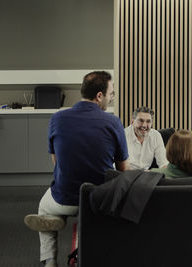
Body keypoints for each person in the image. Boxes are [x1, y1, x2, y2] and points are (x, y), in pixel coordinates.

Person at [24, 71, 130, 267]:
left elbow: (57, 162)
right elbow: (124, 169)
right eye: (111, 93)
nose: (111, 97)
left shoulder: (57, 118)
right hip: (96, 198)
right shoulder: (113, 122)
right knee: (89, 215)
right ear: (100, 96)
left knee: (44, 206)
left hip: (63, 195)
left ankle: (49, 259)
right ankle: (83, 249)